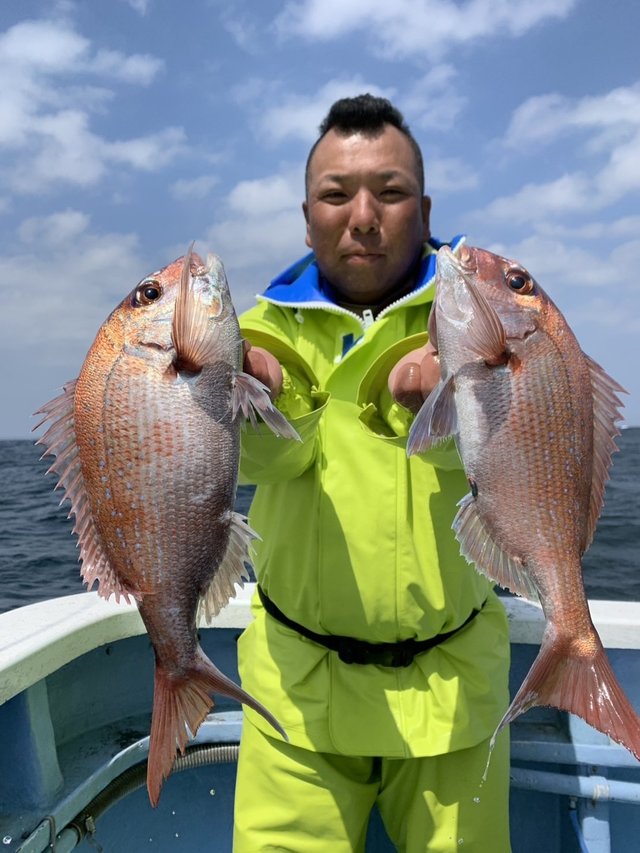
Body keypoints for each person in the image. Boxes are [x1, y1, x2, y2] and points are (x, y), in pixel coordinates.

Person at [233, 94, 511, 853]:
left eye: (389, 192)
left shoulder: (488, 315)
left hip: (454, 692)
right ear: (307, 217)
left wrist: (457, 406)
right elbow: (266, 459)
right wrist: (261, 397)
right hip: (293, 697)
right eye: (336, 194)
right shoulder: (253, 331)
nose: (363, 216)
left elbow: (513, 459)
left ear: (424, 210)